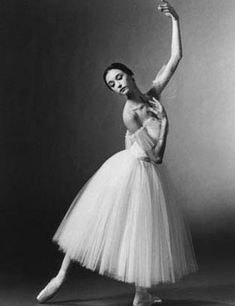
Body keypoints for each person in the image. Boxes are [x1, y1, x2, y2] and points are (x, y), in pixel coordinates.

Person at [36, 1, 198, 305]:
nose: (117, 85)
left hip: (145, 172)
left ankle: (142, 293)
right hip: (133, 168)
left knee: (141, 231)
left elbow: (176, 58)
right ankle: (59, 276)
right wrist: (166, 124)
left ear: (130, 75)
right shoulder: (130, 114)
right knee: (93, 222)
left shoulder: (152, 96)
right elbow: (157, 156)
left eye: (119, 78)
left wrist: (175, 19)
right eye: (112, 85)